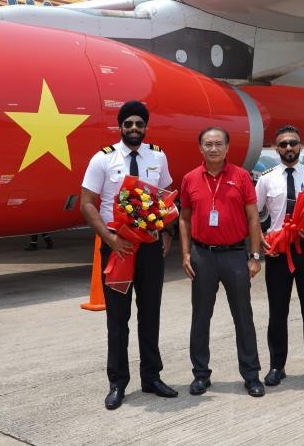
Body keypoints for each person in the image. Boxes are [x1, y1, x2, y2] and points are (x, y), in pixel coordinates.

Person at [81, 100, 177, 410]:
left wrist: (167, 233)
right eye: (128, 124)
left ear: (145, 127)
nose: (134, 129)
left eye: (139, 124)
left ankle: (151, 377)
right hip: (118, 247)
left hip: (149, 247)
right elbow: (87, 203)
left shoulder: (158, 156)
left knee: (150, 314)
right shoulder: (103, 158)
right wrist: (109, 238)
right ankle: (117, 383)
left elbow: (166, 198)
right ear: (120, 126)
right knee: (117, 318)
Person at [179, 127, 265, 398]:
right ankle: (200, 375)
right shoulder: (190, 179)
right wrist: (186, 253)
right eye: (208, 144)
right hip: (202, 256)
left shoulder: (241, 176)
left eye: (218, 144)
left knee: (243, 316)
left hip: (234, 256)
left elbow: (253, 218)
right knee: (200, 317)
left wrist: (254, 256)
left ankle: (251, 375)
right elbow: (184, 218)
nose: (213, 148)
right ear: (200, 148)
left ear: (227, 148)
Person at [255, 125, 304, 387]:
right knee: (278, 311)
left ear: (300, 146)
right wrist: (259, 241)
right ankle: (277, 366)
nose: (288, 147)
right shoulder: (266, 179)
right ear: (276, 148)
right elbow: (254, 214)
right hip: (278, 251)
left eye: (293, 143)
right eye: (283, 144)